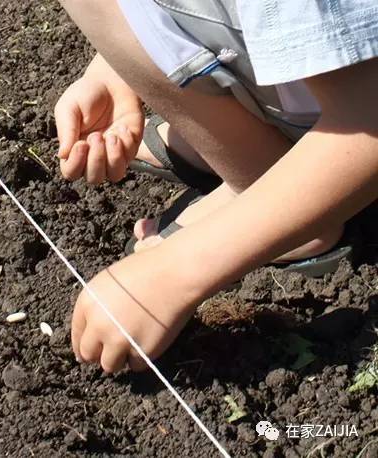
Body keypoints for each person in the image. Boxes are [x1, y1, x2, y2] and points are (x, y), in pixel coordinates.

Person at [54, 0, 378, 373]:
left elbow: (370, 122)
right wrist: (114, 67)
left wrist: (178, 271)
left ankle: (287, 196)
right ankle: (246, 139)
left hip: (353, 113)